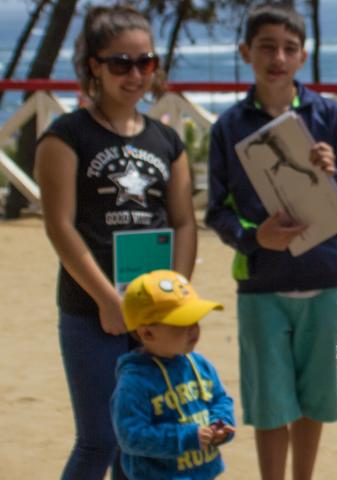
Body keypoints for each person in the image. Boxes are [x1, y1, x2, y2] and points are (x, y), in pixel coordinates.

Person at [204, 3, 337, 479]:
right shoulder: (228, 127)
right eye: (266, 47)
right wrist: (257, 239)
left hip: (325, 279)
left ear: (302, 56)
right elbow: (216, 210)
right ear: (245, 52)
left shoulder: (329, 117)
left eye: (289, 48)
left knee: (315, 400)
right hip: (262, 284)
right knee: (270, 403)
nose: (278, 57)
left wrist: (334, 174)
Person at [34, 5, 196, 479]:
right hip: (92, 311)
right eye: (120, 63)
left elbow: (185, 222)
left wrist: (176, 295)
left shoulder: (167, 140)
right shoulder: (65, 137)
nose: (135, 74)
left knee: (141, 438)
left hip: (153, 309)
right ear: (93, 68)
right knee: (101, 438)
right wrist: (107, 299)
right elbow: (59, 225)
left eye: (145, 62)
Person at [111, 270, 236, 480]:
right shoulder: (135, 382)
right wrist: (186, 437)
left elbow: (220, 399)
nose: (193, 329)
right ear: (147, 333)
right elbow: (130, 436)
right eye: (181, 323)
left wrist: (220, 423)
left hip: (202, 473)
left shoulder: (200, 364)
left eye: (195, 320)